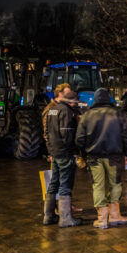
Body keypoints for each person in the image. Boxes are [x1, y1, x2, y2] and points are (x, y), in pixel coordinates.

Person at [76, 88, 127, 229]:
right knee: (116, 184)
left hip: (93, 157)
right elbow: (126, 135)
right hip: (114, 156)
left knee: (97, 185)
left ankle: (102, 219)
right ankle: (114, 215)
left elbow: (79, 139)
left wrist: (83, 154)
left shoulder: (87, 115)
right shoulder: (119, 114)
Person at [43, 88, 82, 227]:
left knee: (54, 183)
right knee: (66, 184)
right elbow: (67, 135)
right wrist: (74, 152)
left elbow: (47, 132)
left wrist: (51, 151)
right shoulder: (67, 112)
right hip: (65, 153)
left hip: (55, 152)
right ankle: (65, 218)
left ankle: (48, 216)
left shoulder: (52, 110)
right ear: (71, 102)